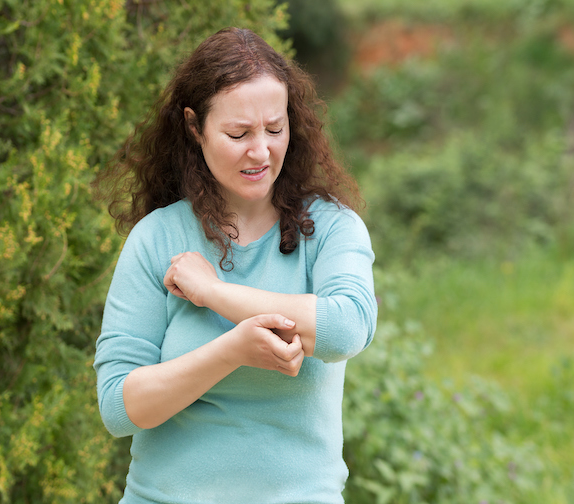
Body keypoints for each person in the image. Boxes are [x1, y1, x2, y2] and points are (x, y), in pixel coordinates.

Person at [92, 27, 377, 504]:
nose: (261, 151)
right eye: (238, 133)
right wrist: (232, 351)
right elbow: (118, 407)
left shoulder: (331, 228)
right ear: (194, 127)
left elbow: (346, 327)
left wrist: (215, 294)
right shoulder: (157, 238)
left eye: (275, 128)